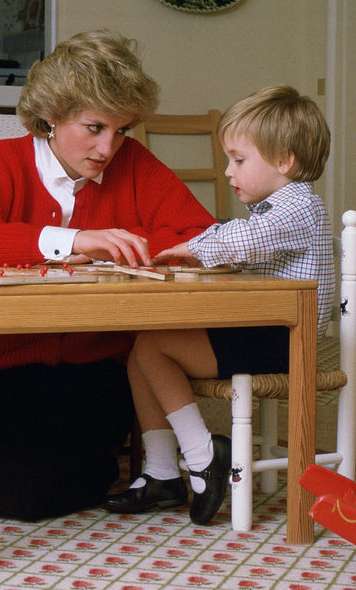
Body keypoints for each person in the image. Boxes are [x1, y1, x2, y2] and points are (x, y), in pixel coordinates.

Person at [0, 29, 216, 520]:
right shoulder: (4, 161)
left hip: (93, 369)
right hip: (0, 364)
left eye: (121, 130)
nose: (109, 147)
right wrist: (70, 240)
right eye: (94, 127)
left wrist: (133, 241)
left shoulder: (135, 165)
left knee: (42, 496)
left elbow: (202, 235)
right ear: (51, 115)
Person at [103, 85, 334, 525]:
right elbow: (226, 235)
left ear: (285, 161)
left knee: (154, 346)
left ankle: (203, 453)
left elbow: (237, 240)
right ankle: (162, 473)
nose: (229, 171)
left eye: (239, 160)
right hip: (264, 331)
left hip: (284, 338)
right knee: (140, 352)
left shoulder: (298, 206)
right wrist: (187, 248)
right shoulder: (273, 210)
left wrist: (187, 249)